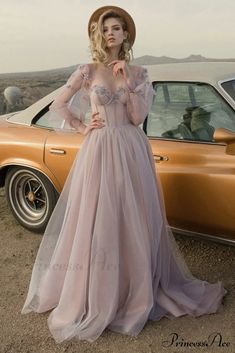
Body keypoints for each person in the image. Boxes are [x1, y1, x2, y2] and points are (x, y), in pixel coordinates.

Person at [21, 5, 227, 343]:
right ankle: (99, 289)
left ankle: (135, 285)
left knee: (134, 215)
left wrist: (127, 81)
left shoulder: (139, 73)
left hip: (132, 147)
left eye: (116, 28)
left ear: (126, 34)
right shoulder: (87, 70)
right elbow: (60, 104)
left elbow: (136, 117)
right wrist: (83, 125)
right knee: (99, 215)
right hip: (100, 148)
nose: (111, 33)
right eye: (105, 29)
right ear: (98, 35)